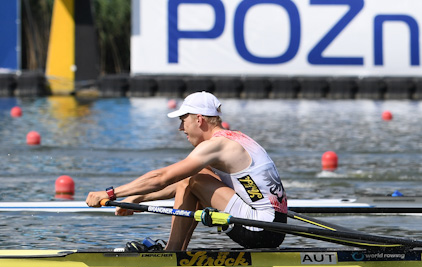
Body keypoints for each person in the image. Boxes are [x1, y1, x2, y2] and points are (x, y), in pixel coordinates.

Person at [85, 91, 288, 251]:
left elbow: (162, 177)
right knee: (194, 179)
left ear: (199, 120)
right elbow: (177, 185)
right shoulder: (235, 138)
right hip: (274, 227)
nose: (181, 128)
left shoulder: (216, 146)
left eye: (183, 120)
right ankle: (176, 251)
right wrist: (136, 198)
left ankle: (172, 252)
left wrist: (110, 193)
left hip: (259, 228)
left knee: (193, 179)